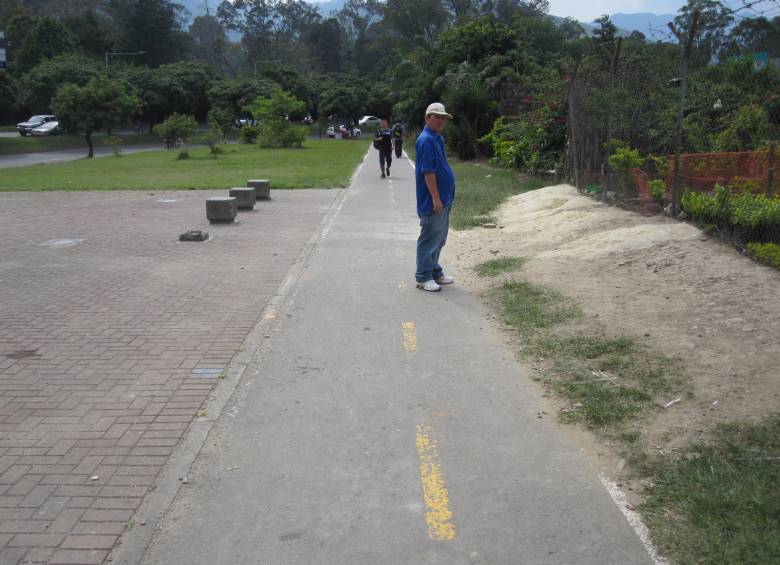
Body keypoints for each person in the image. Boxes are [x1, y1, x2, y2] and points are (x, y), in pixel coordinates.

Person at [414, 103, 456, 292]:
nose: (440, 120)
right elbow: (428, 172)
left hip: (444, 199)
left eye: (443, 117)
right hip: (433, 201)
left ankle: (434, 271)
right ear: (427, 118)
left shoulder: (437, 138)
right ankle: (423, 277)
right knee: (430, 238)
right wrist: (436, 198)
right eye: (436, 116)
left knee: (439, 239)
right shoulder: (426, 140)